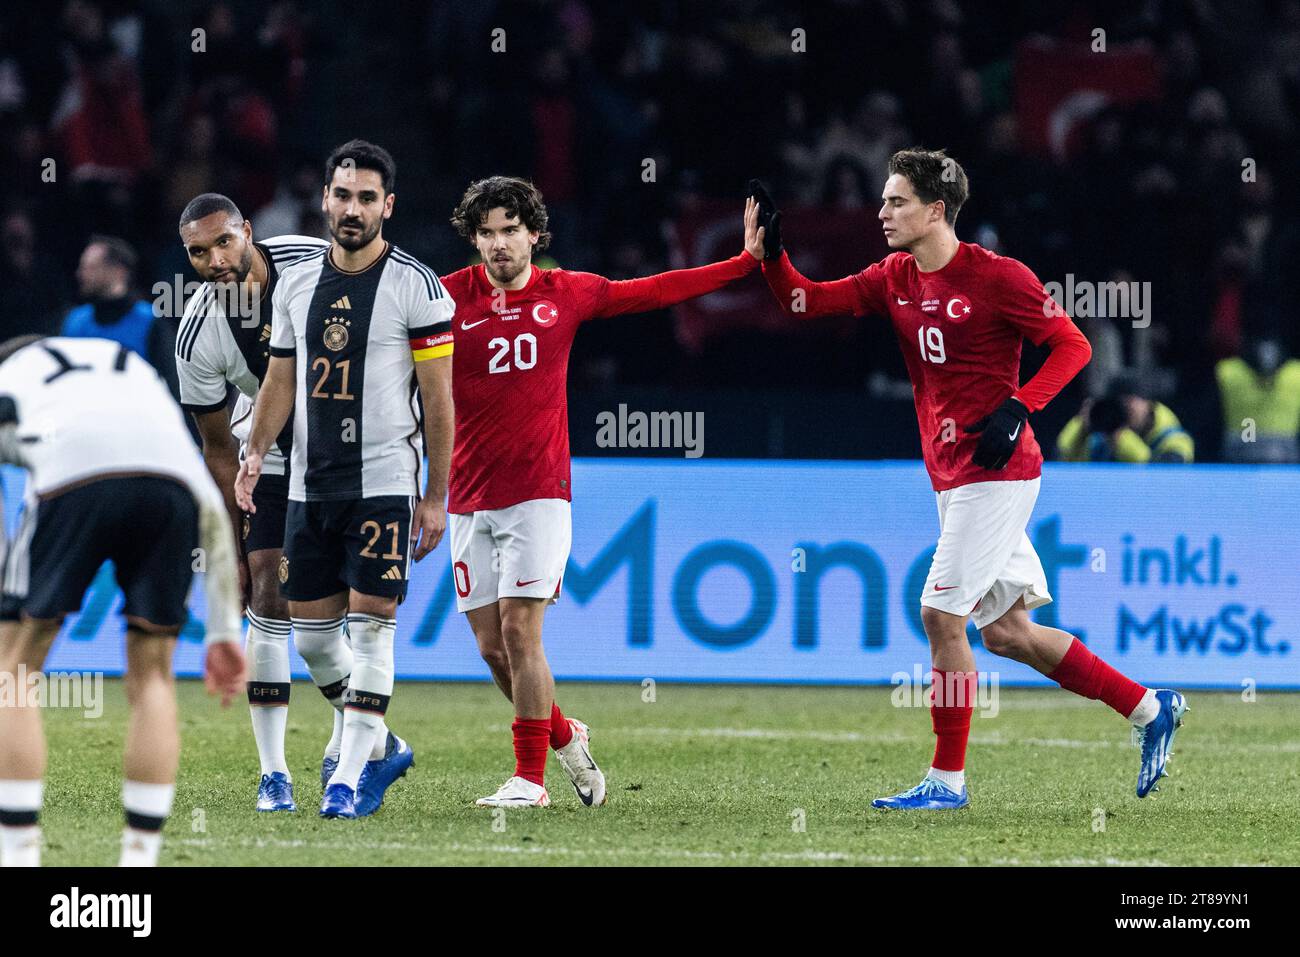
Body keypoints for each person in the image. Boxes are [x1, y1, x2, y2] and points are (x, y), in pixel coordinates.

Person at [748, 149, 1188, 809]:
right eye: (884, 200)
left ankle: (946, 782)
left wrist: (1020, 408)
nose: (882, 212)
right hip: (951, 476)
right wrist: (773, 257)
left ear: (935, 209)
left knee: (939, 614)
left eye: (896, 201)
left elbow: (1074, 345)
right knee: (1008, 632)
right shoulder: (893, 276)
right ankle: (1150, 707)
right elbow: (806, 302)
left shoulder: (998, 276)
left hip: (999, 472)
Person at [441, 176, 760, 808]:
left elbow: (660, 290)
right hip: (466, 491)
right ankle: (564, 735)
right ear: (473, 238)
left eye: (511, 230)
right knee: (489, 648)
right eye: (487, 232)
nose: (500, 244)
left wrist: (744, 262)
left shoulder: (569, 293)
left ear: (535, 233)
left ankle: (529, 780)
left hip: (539, 490)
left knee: (520, 633)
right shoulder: (445, 296)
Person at [235, 140, 455, 819]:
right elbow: (279, 380)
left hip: (384, 483)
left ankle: (347, 778)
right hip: (307, 486)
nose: (352, 209)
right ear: (325, 200)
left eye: (366, 198)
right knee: (311, 638)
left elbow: (440, 399)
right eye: (342, 195)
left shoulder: (418, 285)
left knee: (373, 631)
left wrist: (436, 494)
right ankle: (380, 745)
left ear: (388, 205)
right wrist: (253, 452)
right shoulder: (297, 284)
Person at [0, 333, 244, 867]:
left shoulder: (11, 379)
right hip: (172, 492)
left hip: (71, 480)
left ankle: (17, 857)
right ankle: (139, 862)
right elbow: (209, 506)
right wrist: (226, 632)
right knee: (153, 677)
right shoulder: (131, 370)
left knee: (14, 674)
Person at [176, 191, 331, 812]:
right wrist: (233, 544)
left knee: (330, 620)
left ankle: (364, 741)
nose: (215, 260)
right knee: (267, 595)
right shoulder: (196, 336)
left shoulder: (316, 261)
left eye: (223, 242)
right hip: (265, 457)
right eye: (197, 253)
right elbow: (217, 448)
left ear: (246, 231)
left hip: (354, 455)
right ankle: (275, 776)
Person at [62, 236, 180, 399]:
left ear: (119, 271)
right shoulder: (75, 321)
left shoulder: (150, 321)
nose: (81, 274)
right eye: (82, 268)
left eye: (91, 267)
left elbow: (171, 383)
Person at [1057, 378, 1194, 463]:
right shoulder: (1100, 435)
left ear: (1148, 403)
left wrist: (1124, 442)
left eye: (1129, 404)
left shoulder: (1175, 440)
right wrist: (1081, 426)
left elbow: (1163, 480)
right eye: (1119, 406)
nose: (1125, 413)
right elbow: (1060, 459)